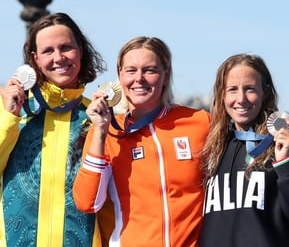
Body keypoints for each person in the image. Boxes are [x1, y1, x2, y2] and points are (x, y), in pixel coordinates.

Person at [0, 12, 109, 246]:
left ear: (80, 50)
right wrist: (8, 118)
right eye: (48, 51)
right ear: (35, 59)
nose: (59, 57)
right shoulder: (10, 108)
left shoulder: (97, 117)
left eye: (66, 47)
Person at [73, 37, 210, 247]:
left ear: (166, 75)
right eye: (131, 70)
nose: (139, 79)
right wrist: (100, 130)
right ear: (120, 75)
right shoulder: (107, 131)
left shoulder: (200, 122)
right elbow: (88, 202)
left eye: (149, 70)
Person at [198, 53, 289, 247]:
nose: (241, 98)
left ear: (266, 92)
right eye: (232, 90)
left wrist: (286, 165)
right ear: (222, 95)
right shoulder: (213, 147)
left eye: (250, 89)